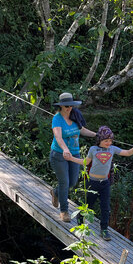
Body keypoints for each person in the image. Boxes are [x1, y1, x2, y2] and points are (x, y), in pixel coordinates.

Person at [65, 126, 133, 240]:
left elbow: (127, 153)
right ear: (99, 140)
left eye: (110, 140)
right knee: (88, 204)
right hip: (92, 182)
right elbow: (85, 162)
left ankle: (104, 229)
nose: (109, 143)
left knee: (105, 207)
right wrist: (71, 158)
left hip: (105, 183)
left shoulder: (112, 149)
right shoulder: (93, 149)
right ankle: (80, 221)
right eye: (106, 140)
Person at [49, 92, 96, 223]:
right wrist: (65, 149)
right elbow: (58, 136)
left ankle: (56, 192)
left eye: (70, 105)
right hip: (59, 154)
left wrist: (96, 135)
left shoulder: (75, 115)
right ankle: (64, 211)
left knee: (73, 182)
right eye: (66, 106)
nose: (69, 108)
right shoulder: (57, 119)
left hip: (74, 154)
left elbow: (81, 130)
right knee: (64, 182)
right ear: (61, 106)